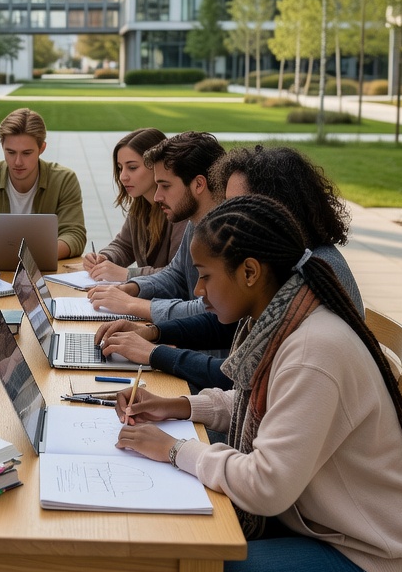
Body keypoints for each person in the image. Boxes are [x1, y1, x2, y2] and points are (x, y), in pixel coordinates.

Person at [110, 194, 402, 572]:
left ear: (249, 271)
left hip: (372, 570)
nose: (199, 291)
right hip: (329, 533)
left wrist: (175, 451)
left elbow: (266, 487)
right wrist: (180, 405)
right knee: (148, 552)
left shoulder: (311, 351)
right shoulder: (284, 319)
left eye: (206, 276)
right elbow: (258, 405)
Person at [96, 144, 366, 392]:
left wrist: (154, 352)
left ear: (276, 208)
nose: (226, 215)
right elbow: (227, 326)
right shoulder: (288, 260)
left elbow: (237, 375)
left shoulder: (308, 277)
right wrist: (153, 332)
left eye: (239, 205)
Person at [85, 131, 223, 322]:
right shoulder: (195, 221)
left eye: (165, 186)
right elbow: (175, 275)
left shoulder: (225, 231)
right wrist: (132, 287)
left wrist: (131, 303)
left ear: (199, 184)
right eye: (119, 168)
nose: (157, 197)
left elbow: (211, 311)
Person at [0, 107, 86, 259]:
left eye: (26, 153)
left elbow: (74, 235)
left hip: (42, 270)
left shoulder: (64, 180)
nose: (18, 162)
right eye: (10, 152)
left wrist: (26, 257)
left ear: (42, 148)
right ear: (2, 147)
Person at [80, 128, 185, 282]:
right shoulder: (141, 205)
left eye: (132, 167)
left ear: (157, 166)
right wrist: (105, 257)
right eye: (120, 168)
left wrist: (128, 274)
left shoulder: (181, 210)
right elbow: (124, 245)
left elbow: (179, 274)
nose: (123, 177)